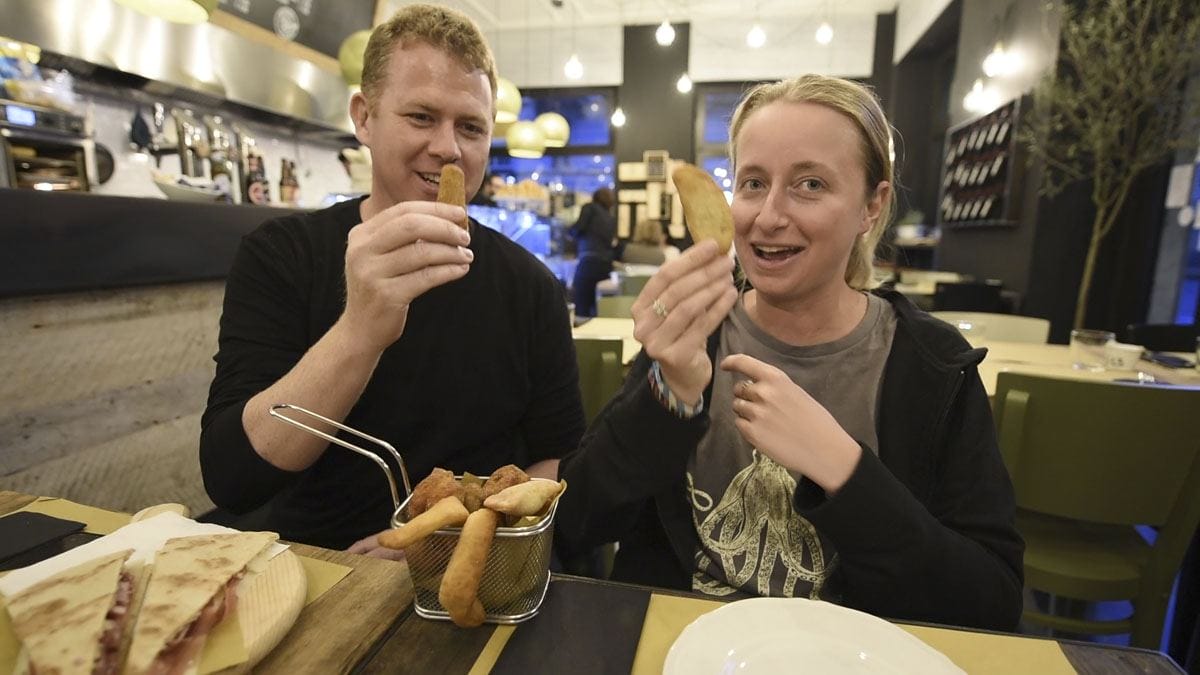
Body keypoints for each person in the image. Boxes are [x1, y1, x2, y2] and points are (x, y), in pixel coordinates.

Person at [555, 75, 1024, 631]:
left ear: (872, 207)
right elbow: (575, 525)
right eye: (753, 182)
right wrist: (670, 396)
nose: (769, 216)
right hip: (684, 648)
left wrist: (843, 469)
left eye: (810, 185)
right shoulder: (697, 332)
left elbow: (990, 600)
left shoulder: (931, 365)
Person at [199, 4, 584, 558]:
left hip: (474, 572)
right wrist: (360, 328)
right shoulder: (282, 256)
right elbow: (234, 478)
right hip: (319, 572)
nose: (449, 147)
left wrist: (440, 545)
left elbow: (551, 463)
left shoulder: (532, 288)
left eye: (471, 127)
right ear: (364, 117)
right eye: (422, 117)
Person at [569, 187, 617, 317]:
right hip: (606, 264)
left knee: (581, 303)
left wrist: (570, 232)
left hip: (588, 260)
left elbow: (579, 228)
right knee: (600, 306)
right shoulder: (610, 217)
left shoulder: (589, 208)